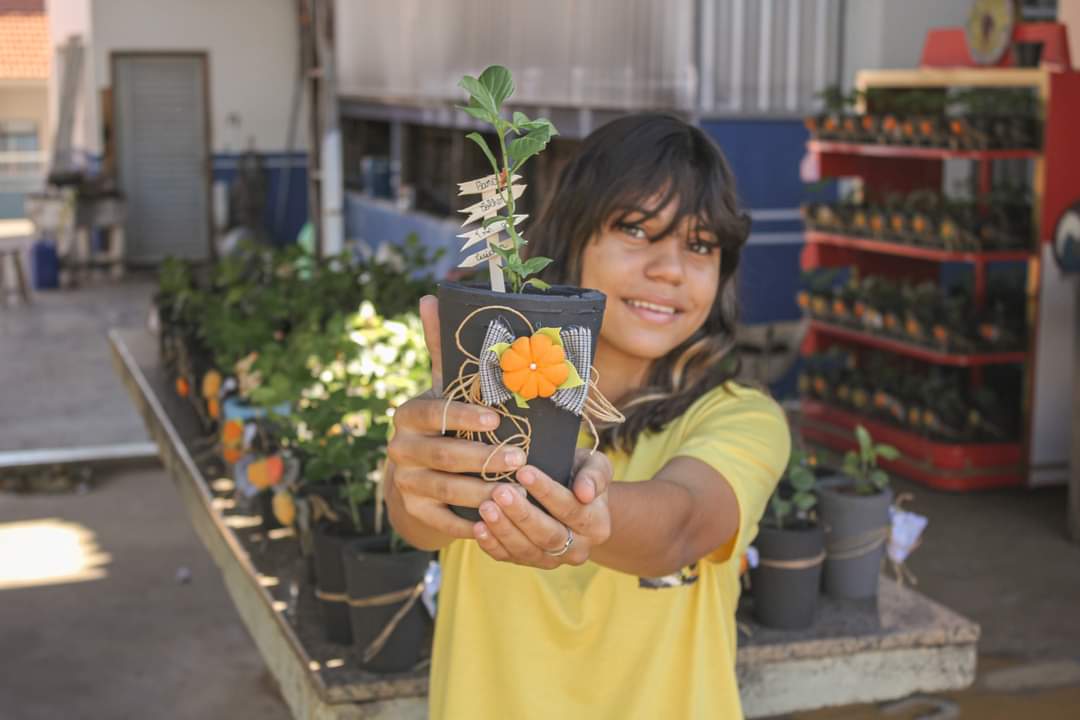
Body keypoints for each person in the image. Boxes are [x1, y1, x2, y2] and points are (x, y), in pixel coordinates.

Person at [385, 113, 790, 719]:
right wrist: (416, 474)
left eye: (701, 245)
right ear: (571, 237)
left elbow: (679, 528)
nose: (671, 269)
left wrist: (585, 513)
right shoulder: (490, 394)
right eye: (636, 229)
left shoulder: (741, 417)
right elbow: (417, 522)